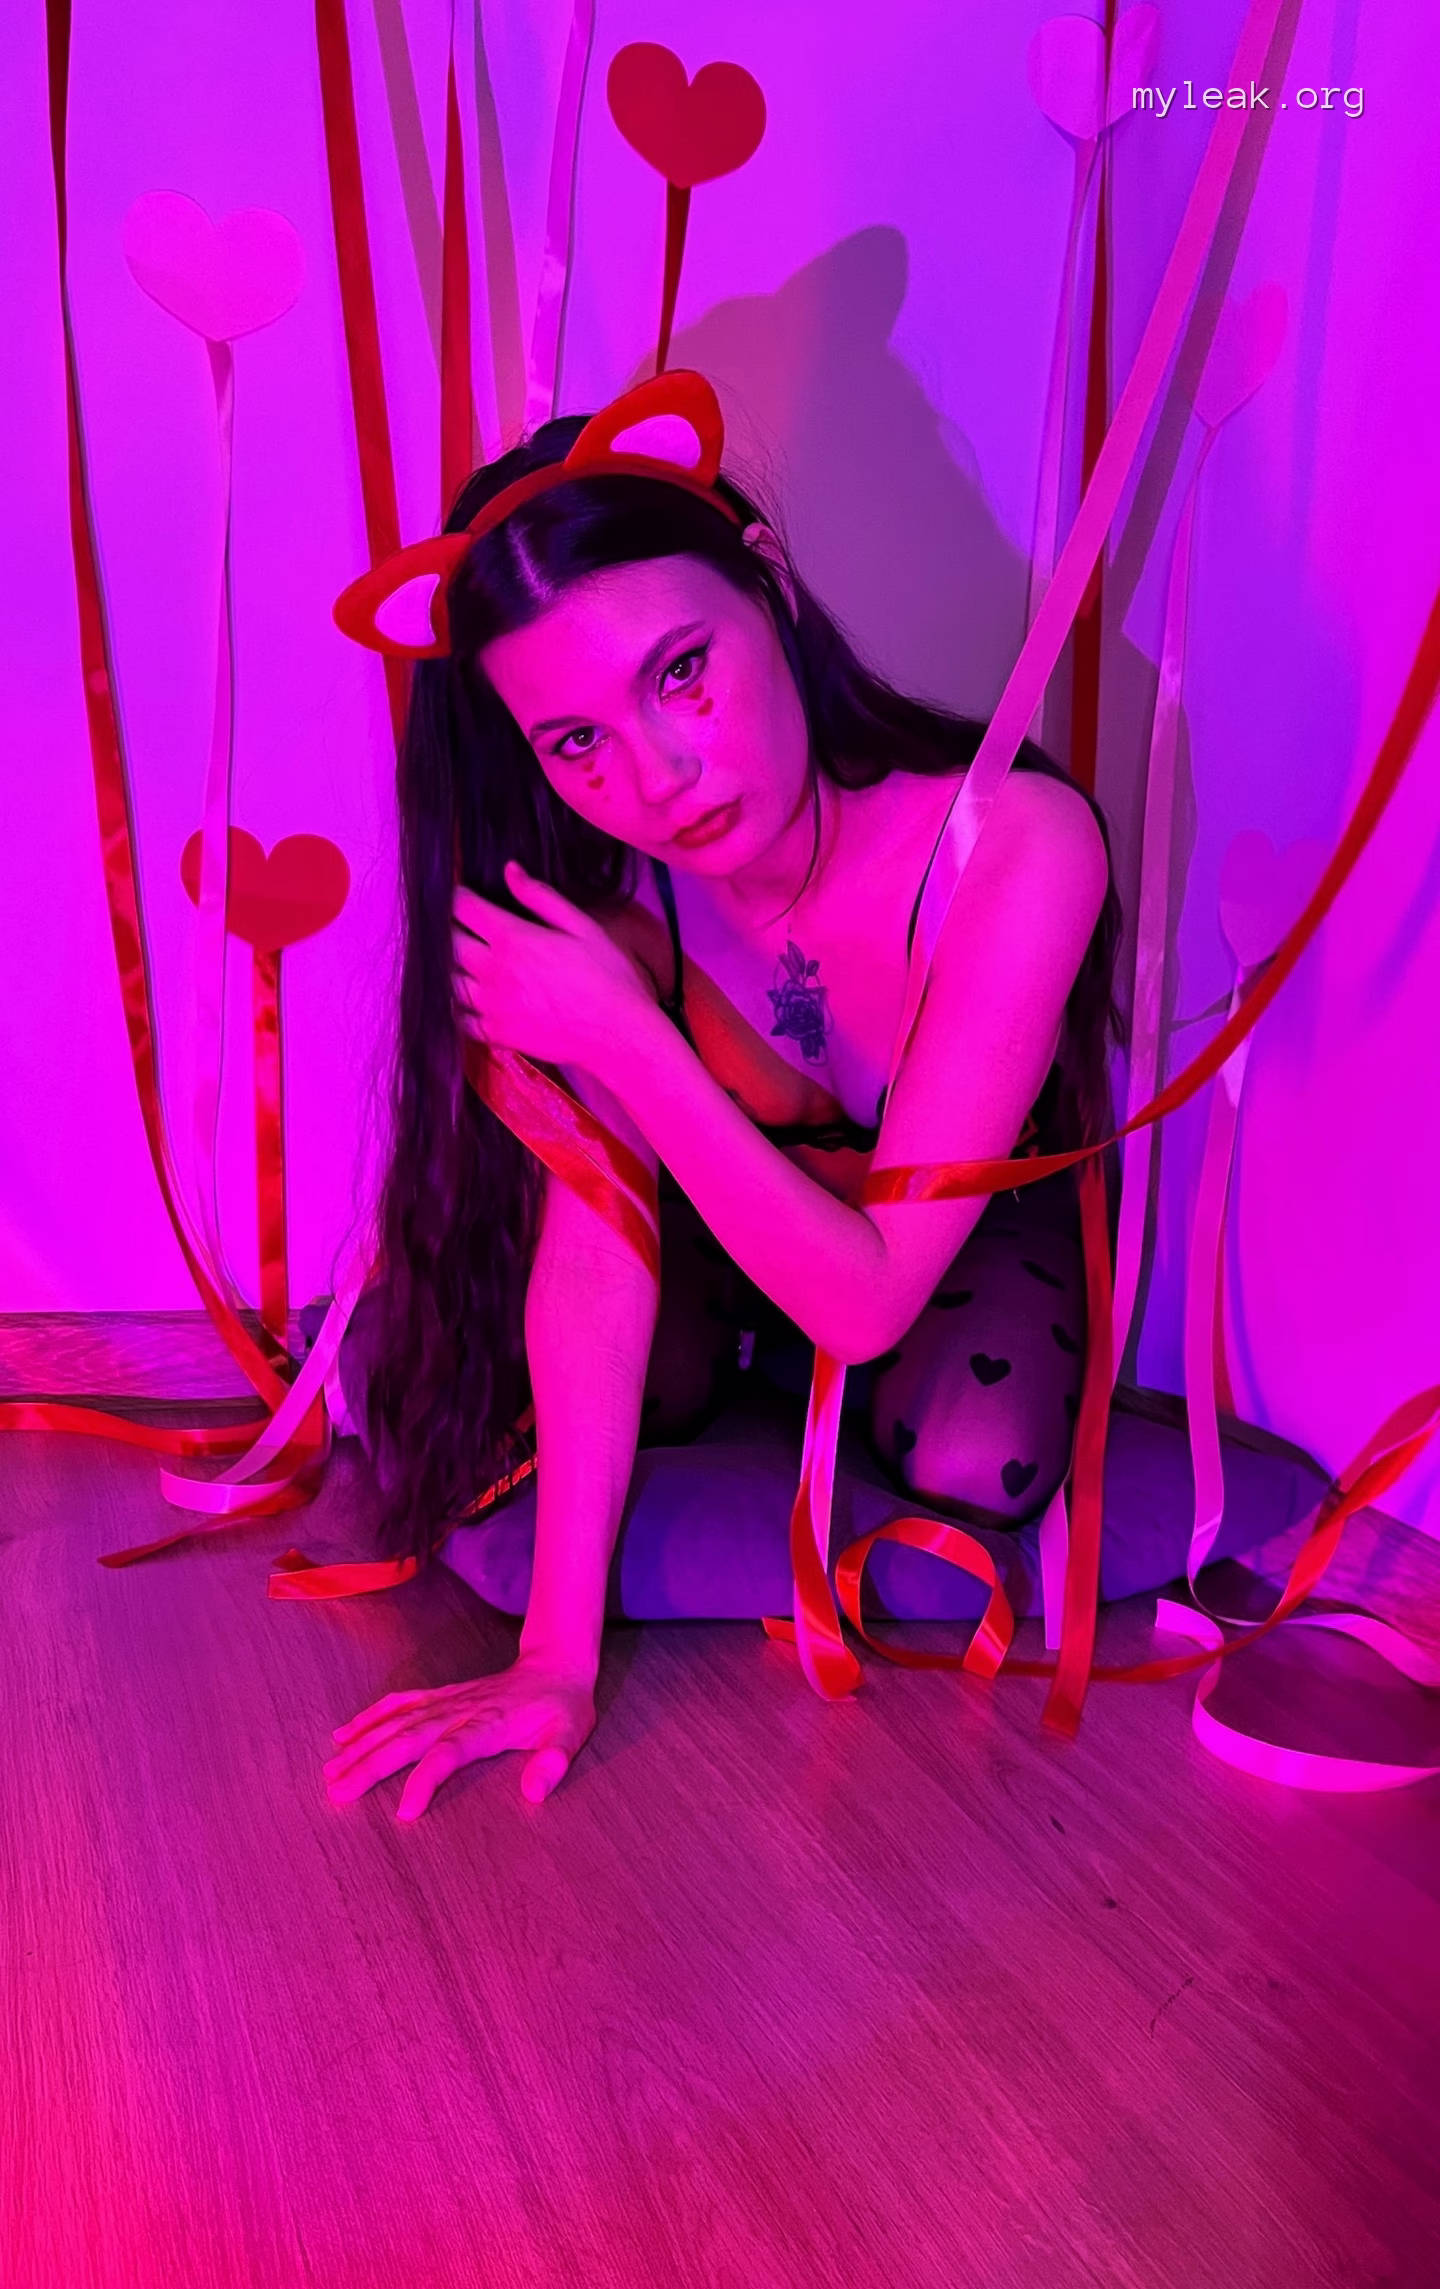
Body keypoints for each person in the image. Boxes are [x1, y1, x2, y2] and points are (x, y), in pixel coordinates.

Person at [323, 414, 1119, 1821]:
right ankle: (735, 1370)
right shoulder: (617, 909)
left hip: (928, 1255)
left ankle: (771, 1378)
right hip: (723, 1237)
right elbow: (594, 1250)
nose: (657, 780)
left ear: (769, 583)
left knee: (975, 1453)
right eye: (577, 741)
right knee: (502, 1381)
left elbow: (872, 1302)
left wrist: (628, 1040)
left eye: (680, 673)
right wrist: (554, 1661)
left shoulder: (1015, 846)